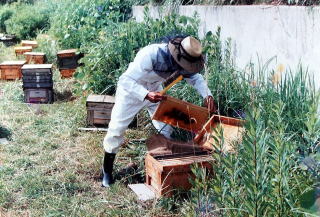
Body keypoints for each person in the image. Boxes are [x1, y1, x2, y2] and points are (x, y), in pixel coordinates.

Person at [101, 36, 216, 187]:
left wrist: (207, 95)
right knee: (116, 129)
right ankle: (107, 172)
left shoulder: (185, 58)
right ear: (177, 54)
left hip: (156, 92)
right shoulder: (150, 54)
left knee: (166, 128)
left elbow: (195, 77)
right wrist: (145, 94)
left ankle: (163, 166)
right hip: (131, 92)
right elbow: (125, 80)